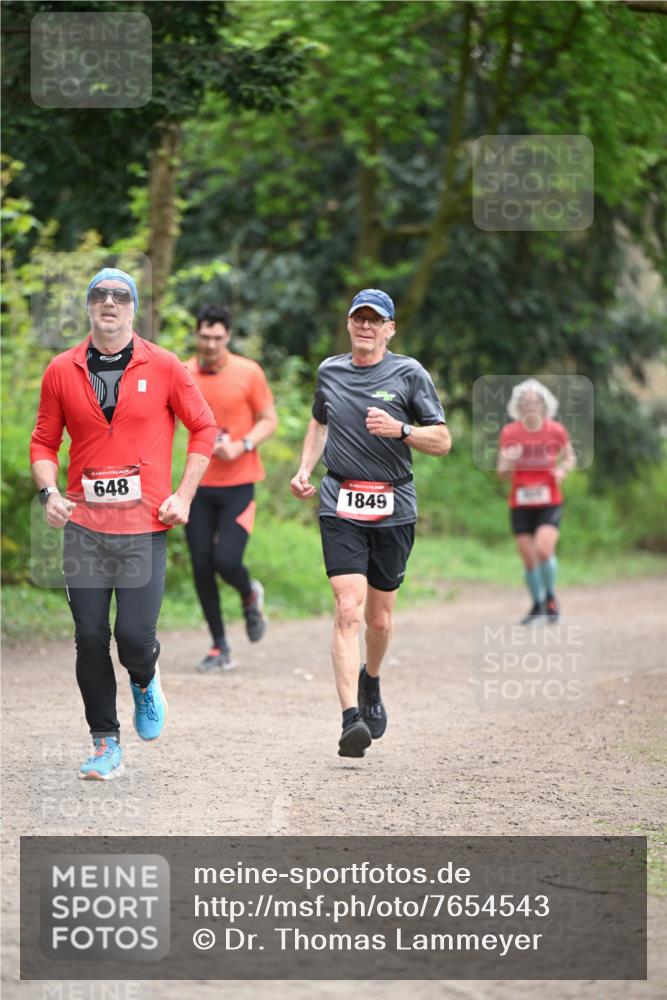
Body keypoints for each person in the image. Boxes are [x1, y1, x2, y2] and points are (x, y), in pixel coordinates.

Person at [30, 267, 216, 780]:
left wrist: (183, 493)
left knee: (133, 637)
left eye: (120, 296)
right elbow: (44, 441)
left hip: (144, 527)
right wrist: (49, 492)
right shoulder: (61, 370)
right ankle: (104, 742)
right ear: (89, 307)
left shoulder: (166, 366)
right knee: (90, 636)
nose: (109, 303)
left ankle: (145, 675)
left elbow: (204, 427)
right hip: (84, 527)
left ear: (133, 308)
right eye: (99, 295)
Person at [290, 288, 451, 758]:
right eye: (358, 318)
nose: (365, 326)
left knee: (379, 620)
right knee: (348, 609)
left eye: (374, 320)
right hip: (340, 500)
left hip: (393, 507)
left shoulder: (409, 374)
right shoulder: (330, 371)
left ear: (390, 329)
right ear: (348, 324)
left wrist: (401, 430)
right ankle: (349, 720)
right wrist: (304, 468)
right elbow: (319, 422)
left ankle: (372, 680)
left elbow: (442, 441)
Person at [184, 304, 277, 672]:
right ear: (197, 335)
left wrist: (243, 445)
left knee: (226, 561)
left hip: (239, 483)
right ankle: (219, 645)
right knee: (201, 565)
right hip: (198, 486)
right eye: (204, 336)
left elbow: (269, 419)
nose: (210, 344)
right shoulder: (184, 373)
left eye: (217, 337)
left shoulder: (248, 372)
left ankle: (249, 593)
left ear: (228, 336)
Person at [496, 378, 576, 624]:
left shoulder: (556, 430)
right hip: (520, 502)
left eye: (534, 402)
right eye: (525, 402)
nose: (530, 406)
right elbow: (501, 473)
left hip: (549, 499)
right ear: (518, 407)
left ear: (544, 405)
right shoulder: (510, 432)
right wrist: (510, 459)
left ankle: (551, 599)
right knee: (528, 557)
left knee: (543, 549)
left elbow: (570, 457)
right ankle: (537, 605)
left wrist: (562, 470)